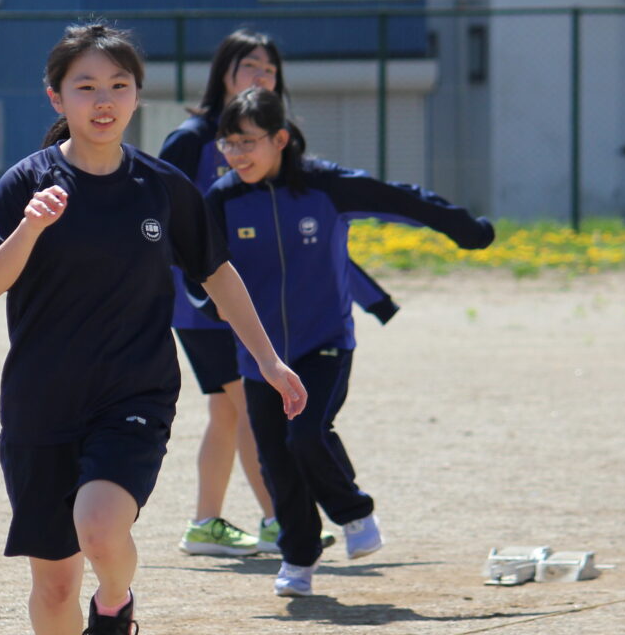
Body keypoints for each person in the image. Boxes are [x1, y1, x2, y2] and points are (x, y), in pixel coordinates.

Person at [0, 24, 306, 635]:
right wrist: (31, 227)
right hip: (39, 404)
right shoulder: (27, 183)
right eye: (86, 87)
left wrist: (268, 359)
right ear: (56, 96)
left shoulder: (161, 187)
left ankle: (116, 604)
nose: (103, 101)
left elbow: (218, 276)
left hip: (135, 391)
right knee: (53, 582)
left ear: (137, 97)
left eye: (118, 87)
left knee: (99, 523)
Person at [204, 86, 494, 599]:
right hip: (260, 355)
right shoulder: (223, 199)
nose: (237, 155)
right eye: (228, 143)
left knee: (307, 433)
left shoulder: (325, 186)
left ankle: (354, 514)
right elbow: (192, 258)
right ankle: (299, 559)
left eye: (248, 142)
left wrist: (463, 228)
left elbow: (400, 198)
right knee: (275, 457)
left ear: (280, 139)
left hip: (325, 342)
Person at [159, 30, 397, 557]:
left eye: (270, 70)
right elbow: (163, 215)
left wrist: (369, 294)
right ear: (225, 72)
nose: (263, 76)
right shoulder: (193, 138)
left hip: (251, 302)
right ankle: (278, 519)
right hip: (205, 307)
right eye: (251, 66)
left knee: (228, 412)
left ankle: (206, 522)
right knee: (253, 408)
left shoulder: (273, 143)